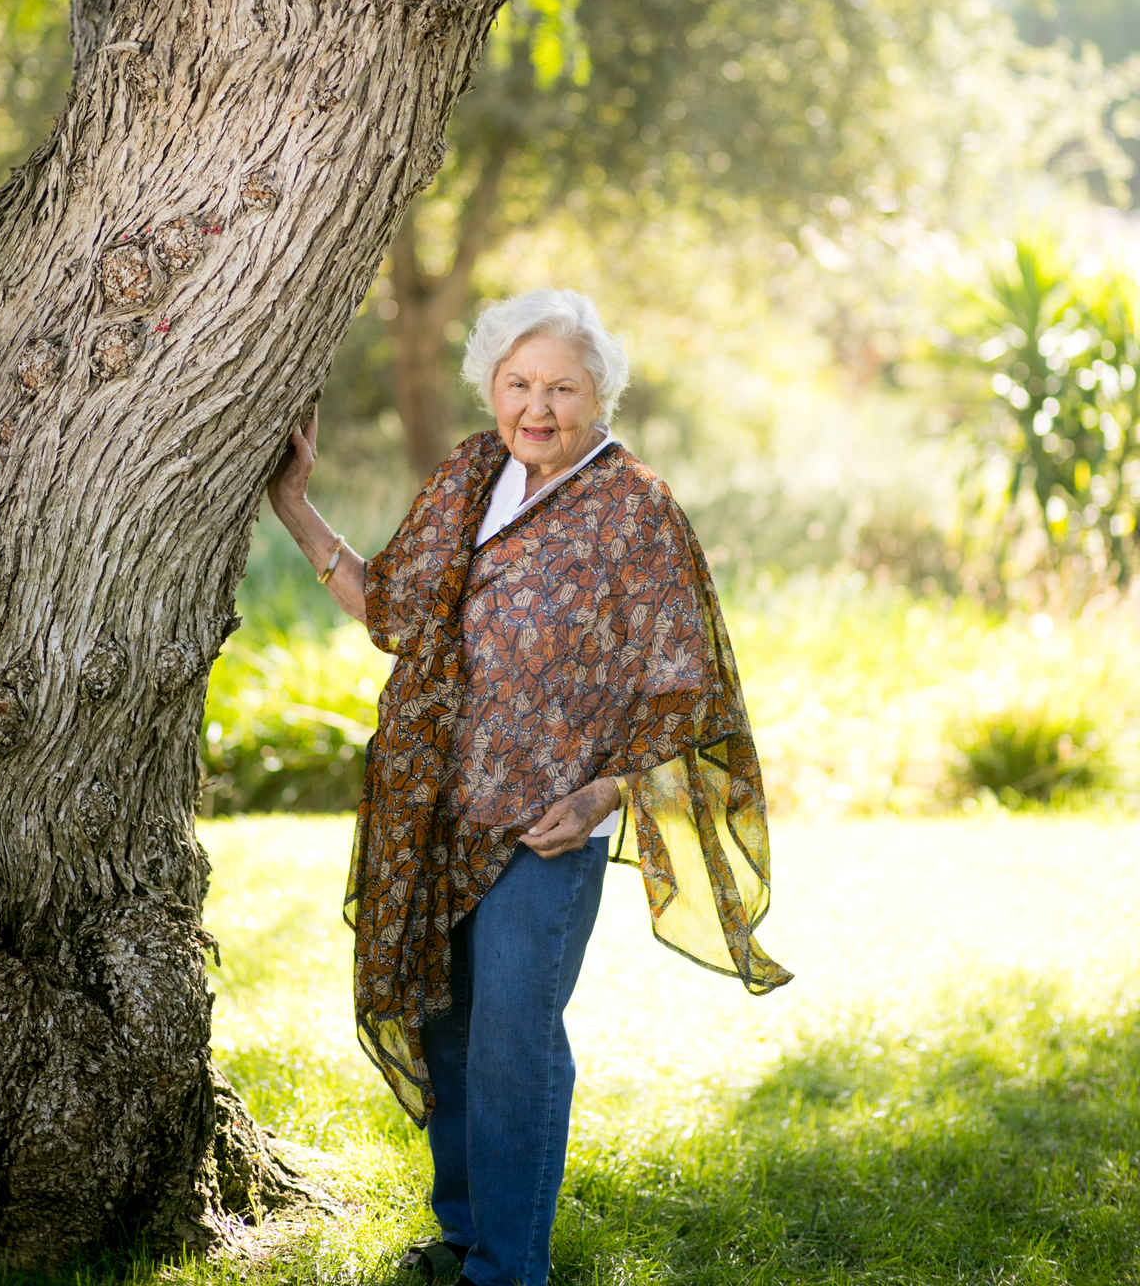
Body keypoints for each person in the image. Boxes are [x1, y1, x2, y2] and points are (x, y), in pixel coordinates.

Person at [268, 287, 790, 1286]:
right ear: (490, 387)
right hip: (436, 811)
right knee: (447, 1026)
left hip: (548, 828)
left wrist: (599, 798)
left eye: (561, 386)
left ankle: (510, 1270)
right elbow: (389, 608)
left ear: (602, 395)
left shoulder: (632, 504)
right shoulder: (472, 472)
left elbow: (681, 679)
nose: (537, 406)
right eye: (518, 383)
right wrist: (293, 501)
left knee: (512, 1036)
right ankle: (466, 1235)